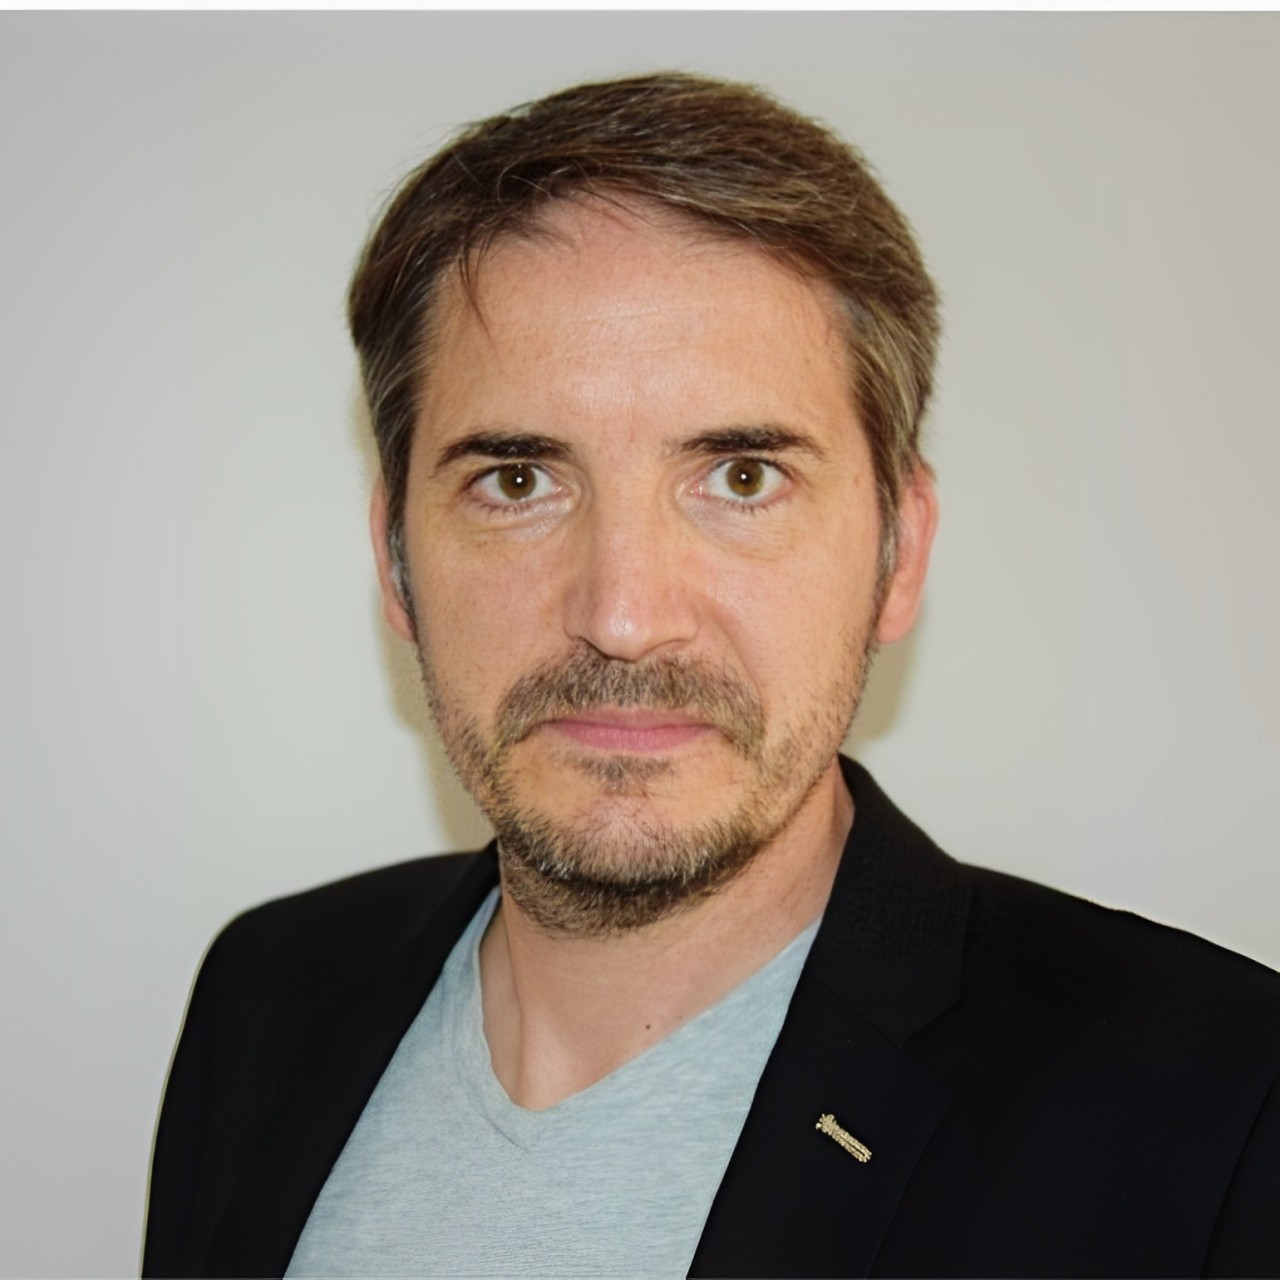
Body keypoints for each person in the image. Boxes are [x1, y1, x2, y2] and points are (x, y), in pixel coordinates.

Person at [143, 73, 1280, 1278]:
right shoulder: (264, 996)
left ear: (898, 553)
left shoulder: (1213, 1105)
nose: (624, 617)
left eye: (740, 478)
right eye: (518, 481)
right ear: (394, 559)